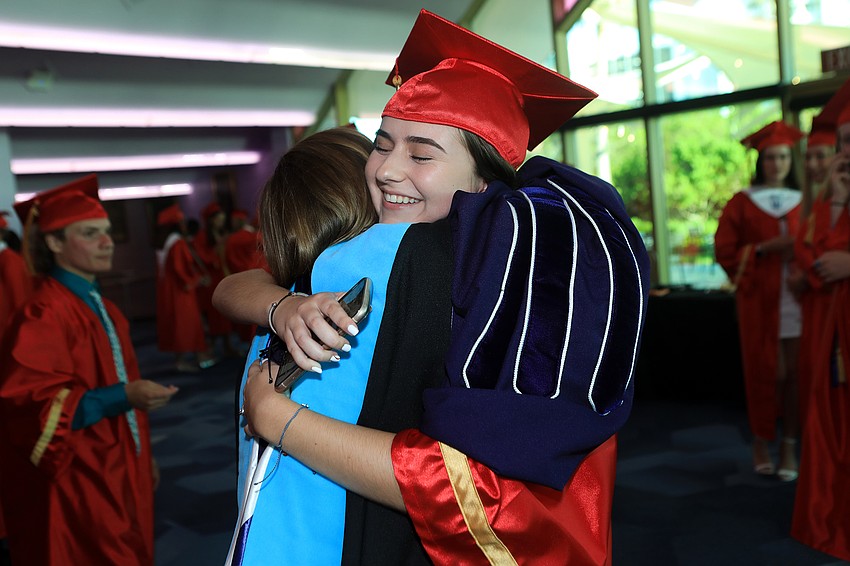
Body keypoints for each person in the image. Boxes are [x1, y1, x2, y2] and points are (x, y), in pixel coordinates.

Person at [217, 10, 649, 564]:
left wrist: (277, 418)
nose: (387, 170)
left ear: (485, 184)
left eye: (422, 154)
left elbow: (478, 487)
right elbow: (242, 283)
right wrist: (284, 306)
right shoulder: (365, 248)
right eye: (382, 144)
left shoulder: (511, 280)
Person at [0, 175, 178, 565]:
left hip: (117, 456)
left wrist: (141, 453)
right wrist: (126, 396)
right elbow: (34, 404)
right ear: (54, 243)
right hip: (77, 471)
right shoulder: (42, 314)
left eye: (107, 232)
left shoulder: (101, 306)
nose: (107, 242)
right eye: (90, 233)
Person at [715, 120, 804, 482]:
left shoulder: (806, 202)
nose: (777, 163)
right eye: (770, 157)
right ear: (760, 161)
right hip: (760, 302)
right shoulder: (742, 203)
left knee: (795, 376)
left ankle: (790, 444)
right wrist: (766, 249)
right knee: (766, 373)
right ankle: (762, 440)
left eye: (783, 156)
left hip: (799, 299)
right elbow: (725, 250)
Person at [791, 78, 850, 562]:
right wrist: (834, 203)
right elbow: (811, 262)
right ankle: (830, 519)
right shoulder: (829, 201)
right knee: (832, 424)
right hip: (832, 335)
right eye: (844, 143)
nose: (847, 151)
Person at [155, 203, 213, 372]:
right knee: (186, 324)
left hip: (171, 290)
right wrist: (197, 280)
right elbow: (180, 269)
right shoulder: (178, 243)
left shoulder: (166, 242)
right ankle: (188, 359)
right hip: (181, 291)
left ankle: (191, 357)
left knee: (178, 323)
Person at [195, 201, 236, 356]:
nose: (222, 221)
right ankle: (210, 349)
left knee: (224, 316)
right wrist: (217, 252)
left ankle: (227, 346)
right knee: (213, 316)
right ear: (212, 219)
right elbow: (203, 258)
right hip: (211, 281)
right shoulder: (202, 236)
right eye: (219, 218)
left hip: (222, 277)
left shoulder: (221, 233)